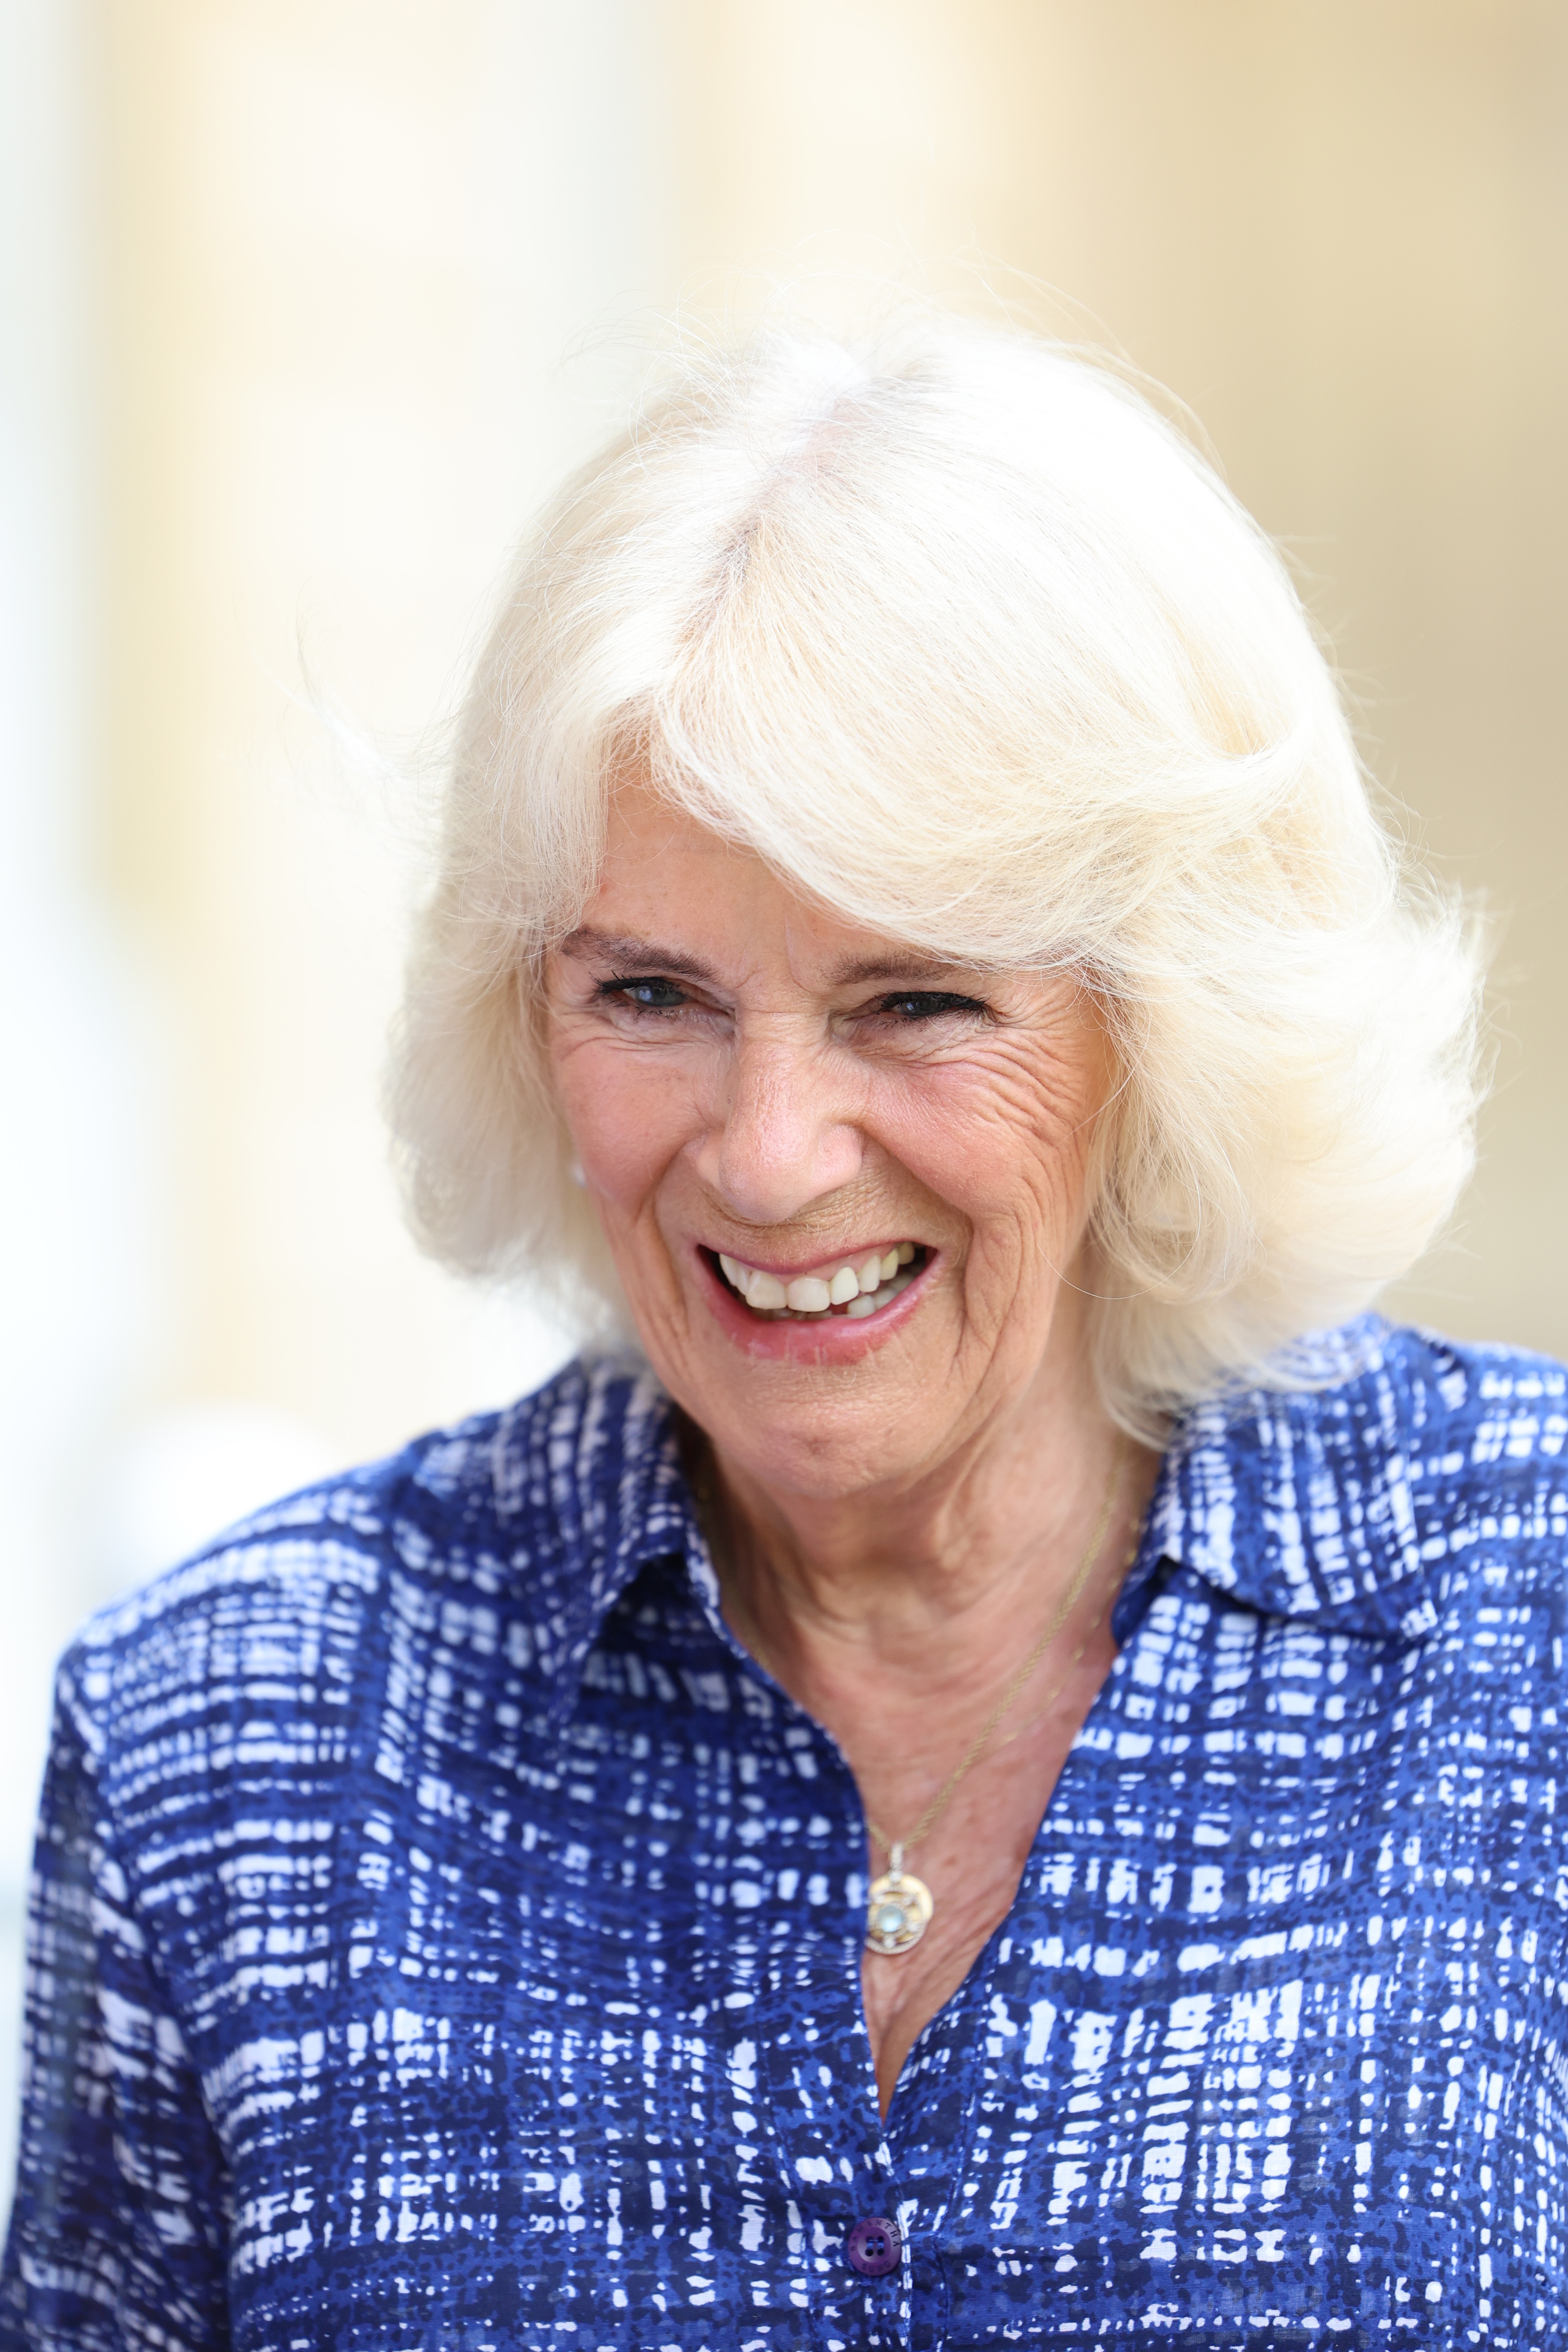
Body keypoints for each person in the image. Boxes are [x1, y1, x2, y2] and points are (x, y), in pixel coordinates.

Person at [1, 309, 1558, 2352]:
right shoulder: (239, 1728)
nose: (764, 1159)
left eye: (912, 1000)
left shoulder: (1526, 1623)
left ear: (1160, 1031)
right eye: (648, 994)